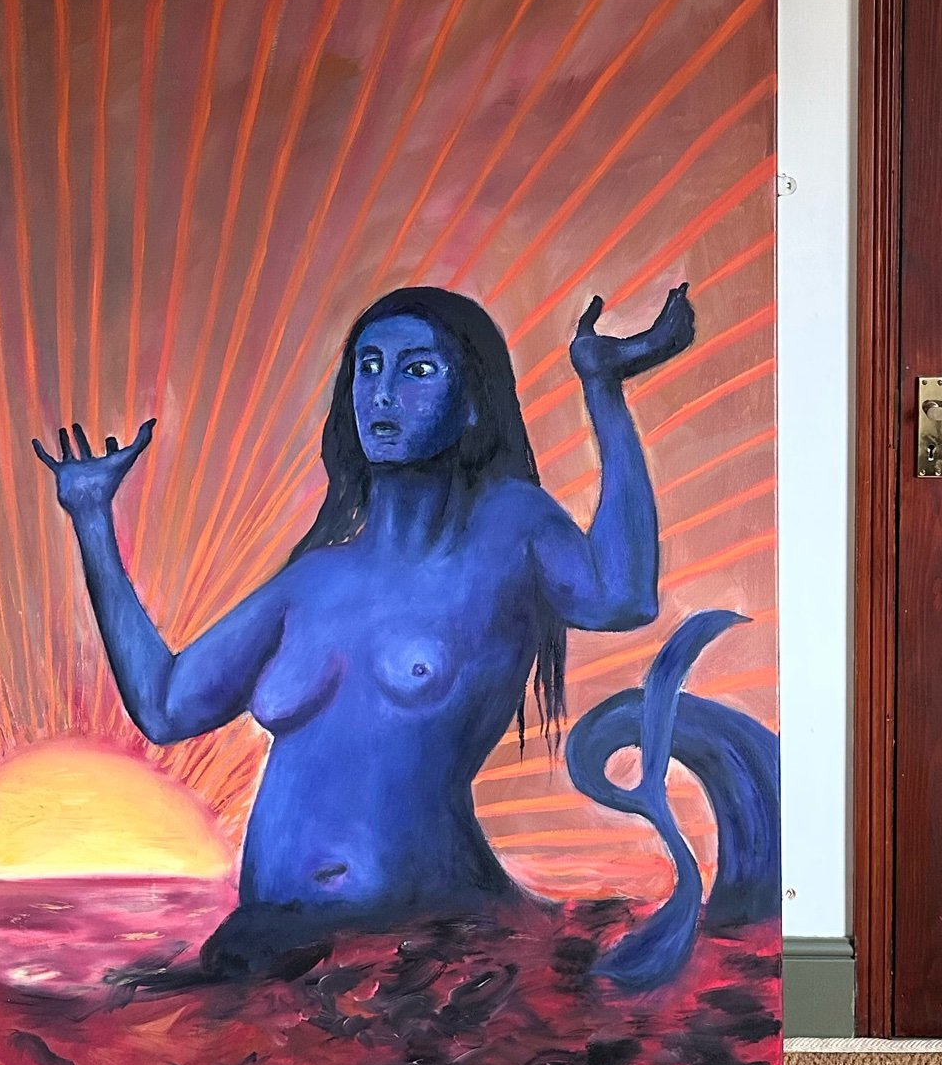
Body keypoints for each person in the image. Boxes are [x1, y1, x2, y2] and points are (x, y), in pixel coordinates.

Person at [34, 283, 694, 974]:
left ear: (472, 403)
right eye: (368, 368)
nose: (382, 394)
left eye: (417, 370)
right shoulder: (314, 581)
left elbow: (621, 598)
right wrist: (91, 517)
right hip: (279, 951)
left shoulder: (506, 527)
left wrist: (603, 390)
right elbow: (167, 706)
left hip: (426, 951)